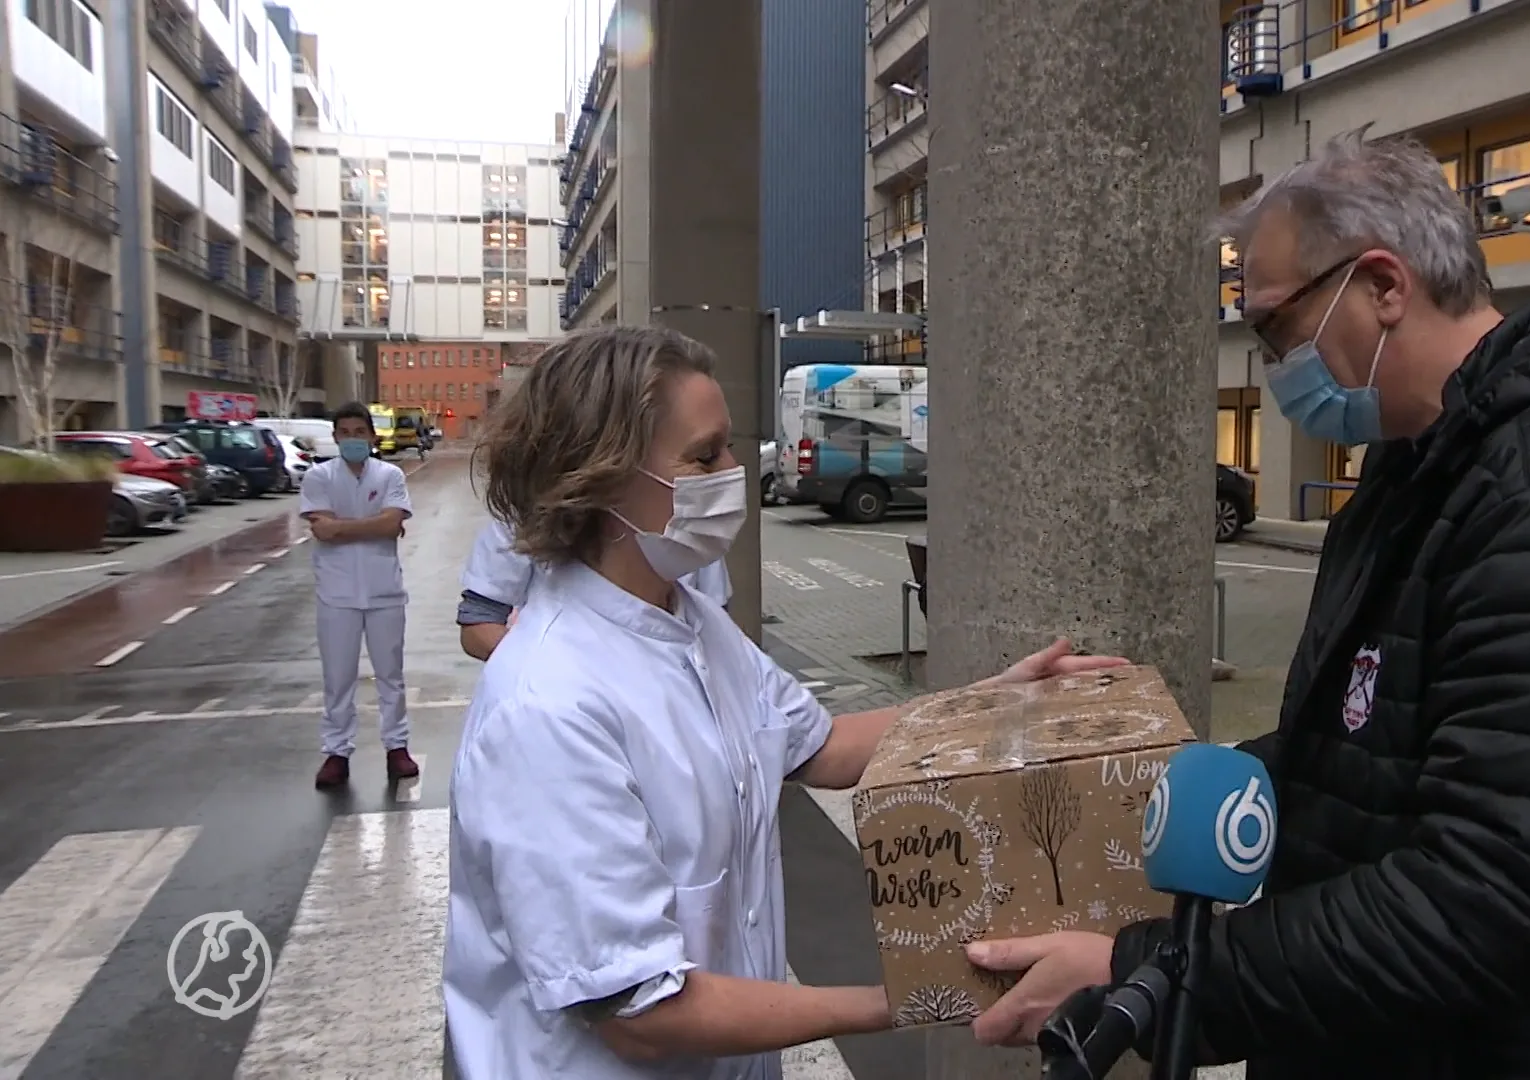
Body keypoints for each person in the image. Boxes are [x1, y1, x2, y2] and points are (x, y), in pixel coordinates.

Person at [966, 128, 1530, 1078]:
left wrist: (1152, 975)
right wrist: (1128, 784)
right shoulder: (1425, 460)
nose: (1274, 361)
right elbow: (1360, 755)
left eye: (1278, 326)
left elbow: (1492, 894)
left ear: (1384, 285)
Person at [441, 324, 1125, 1078]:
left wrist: (1002, 703)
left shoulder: (691, 624)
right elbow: (639, 1013)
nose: (733, 473)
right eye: (704, 457)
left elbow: (822, 747)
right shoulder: (550, 706)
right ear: (600, 479)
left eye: (729, 447)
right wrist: (910, 998)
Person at [299, 402, 419, 789]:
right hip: (337, 594)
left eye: (358, 432)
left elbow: (391, 522)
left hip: (384, 591)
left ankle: (396, 747)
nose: (352, 439)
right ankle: (337, 752)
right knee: (338, 678)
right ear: (335, 438)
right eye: (345, 433)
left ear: (371, 435)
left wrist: (343, 526)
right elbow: (323, 530)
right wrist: (377, 525)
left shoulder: (390, 474)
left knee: (391, 675)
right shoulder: (318, 477)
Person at [457, 516, 733, 662]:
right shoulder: (527, 515)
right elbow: (478, 626)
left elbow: (717, 634)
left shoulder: (691, 530)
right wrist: (551, 677)